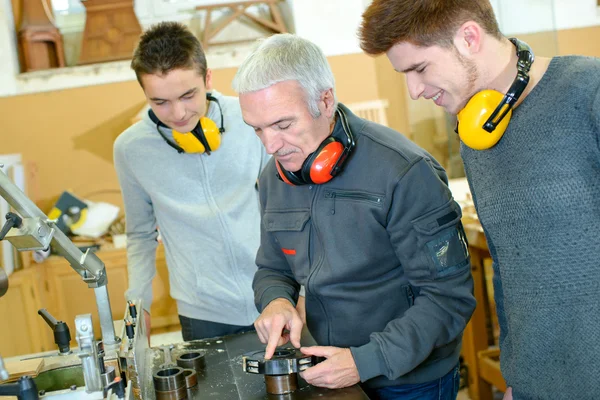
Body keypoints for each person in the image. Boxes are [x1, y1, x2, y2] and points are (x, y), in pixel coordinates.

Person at [359, 1, 600, 399]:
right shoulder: (477, 133)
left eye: (419, 69)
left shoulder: (587, 91)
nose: (415, 91)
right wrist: (516, 375)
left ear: (469, 38)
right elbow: (509, 269)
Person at [232, 33, 476, 399]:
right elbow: (273, 268)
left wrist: (365, 360)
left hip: (409, 380)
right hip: (327, 369)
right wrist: (276, 301)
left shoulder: (404, 171)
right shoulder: (274, 175)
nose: (270, 146)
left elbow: (449, 298)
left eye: (283, 125)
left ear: (325, 101)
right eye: (258, 129)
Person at [114, 21, 271, 341]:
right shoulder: (130, 150)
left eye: (188, 95)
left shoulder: (249, 118)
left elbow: (290, 203)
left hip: (275, 295)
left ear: (208, 78)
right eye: (160, 102)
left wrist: (303, 287)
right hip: (203, 313)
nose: (178, 113)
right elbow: (140, 236)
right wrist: (137, 306)